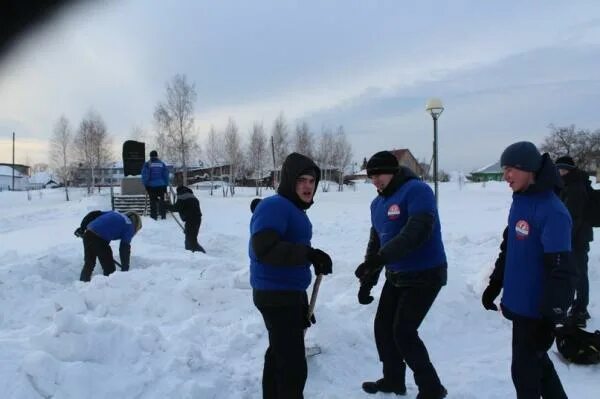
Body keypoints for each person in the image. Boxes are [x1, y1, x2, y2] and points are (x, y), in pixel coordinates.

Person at [482, 142, 575, 398]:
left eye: (510, 169)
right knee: (538, 366)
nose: (505, 176)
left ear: (529, 169)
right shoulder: (521, 201)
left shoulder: (552, 211)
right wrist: (495, 283)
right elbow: (510, 246)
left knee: (525, 374)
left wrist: (552, 316)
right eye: (504, 170)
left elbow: (562, 269)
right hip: (520, 305)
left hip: (537, 311)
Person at [354, 151, 448, 399]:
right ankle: (394, 380)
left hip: (426, 273)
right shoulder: (377, 204)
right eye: (371, 176)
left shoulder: (417, 191)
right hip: (397, 274)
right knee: (383, 328)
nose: (374, 180)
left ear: (393, 171)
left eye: (378, 174)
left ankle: (432, 388)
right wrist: (368, 281)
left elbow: (417, 231)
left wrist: (381, 259)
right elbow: (376, 243)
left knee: (404, 332)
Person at [249, 152, 333, 399]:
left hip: (286, 293)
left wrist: (301, 299)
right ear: (289, 181)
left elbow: (289, 250)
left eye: (312, 181)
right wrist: (309, 254)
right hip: (275, 295)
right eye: (301, 180)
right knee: (293, 366)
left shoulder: (292, 209)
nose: (308, 186)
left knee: (278, 355)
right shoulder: (276, 205)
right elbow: (264, 249)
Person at [555, 155, 593, 328]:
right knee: (575, 274)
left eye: (563, 169)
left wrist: (565, 240)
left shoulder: (575, 187)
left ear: (569, 170)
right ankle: (578, 307)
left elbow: (574, 218)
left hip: (577, 238)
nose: (560, 172)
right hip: (574, 237)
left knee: (578, 275)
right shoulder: (568, 184)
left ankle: (580, 311)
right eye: (559, 169)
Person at [79, 210, 142, 282]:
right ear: (136, 224)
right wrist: (125, 268)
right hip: (100, 239)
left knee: (89, 263)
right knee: (109, 268)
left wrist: (82, 228)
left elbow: (94, 214)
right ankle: (108, 289)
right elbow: (124, 248)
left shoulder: (115, 213)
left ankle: (82, 284)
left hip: (88, 233)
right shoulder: (130, 226)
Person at [168, 185, 205, 253]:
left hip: (191, 220)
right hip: (197, 219)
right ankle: (193, 255)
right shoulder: (192, 196)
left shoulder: (182, 196)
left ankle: (201, 255)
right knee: (190, 240)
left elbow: (176, 208)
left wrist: (166, 206)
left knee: (191, 242)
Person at [141, 150, 169, 220]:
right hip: (162, 185)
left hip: (151, 186)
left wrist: (145, 184)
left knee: (153, 202)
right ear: (157, 156)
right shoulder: (162, 164)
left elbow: (145, 175)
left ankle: (154, 217)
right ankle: (163, 215)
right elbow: (166, 175)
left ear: (150, 156)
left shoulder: (147, 164)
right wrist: (166, 184)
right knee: (162, 201)